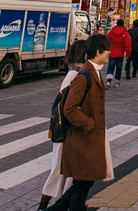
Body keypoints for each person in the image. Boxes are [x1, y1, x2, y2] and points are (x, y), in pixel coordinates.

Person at [51, 34, 113, 211]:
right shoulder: (84, 76)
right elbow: (69, 108)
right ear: (98, 52)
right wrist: (88, 124)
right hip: (82, 139)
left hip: (89, 139)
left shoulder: (95, 72)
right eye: (107, 50)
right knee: (82, 184)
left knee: (84, 182)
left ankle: (54, 210)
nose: (109, 53)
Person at [39, 40, 88, 210]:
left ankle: (66, 205)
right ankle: (44, 207)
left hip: (67, 133)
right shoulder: (75, 76)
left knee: (68, 173)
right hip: (67, 133)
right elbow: (67, 107)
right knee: (59, 171)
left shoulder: (75, 73)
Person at [106, 18, 130, 88]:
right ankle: (117, 81)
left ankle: (108, 80)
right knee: (119, 67)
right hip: (120, 53)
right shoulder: (125, 33)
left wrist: (107, 49)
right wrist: (128, 54)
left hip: (112, 53)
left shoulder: (112, 32)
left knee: (110, 66)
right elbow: (127, 44)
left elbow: (107, 39)